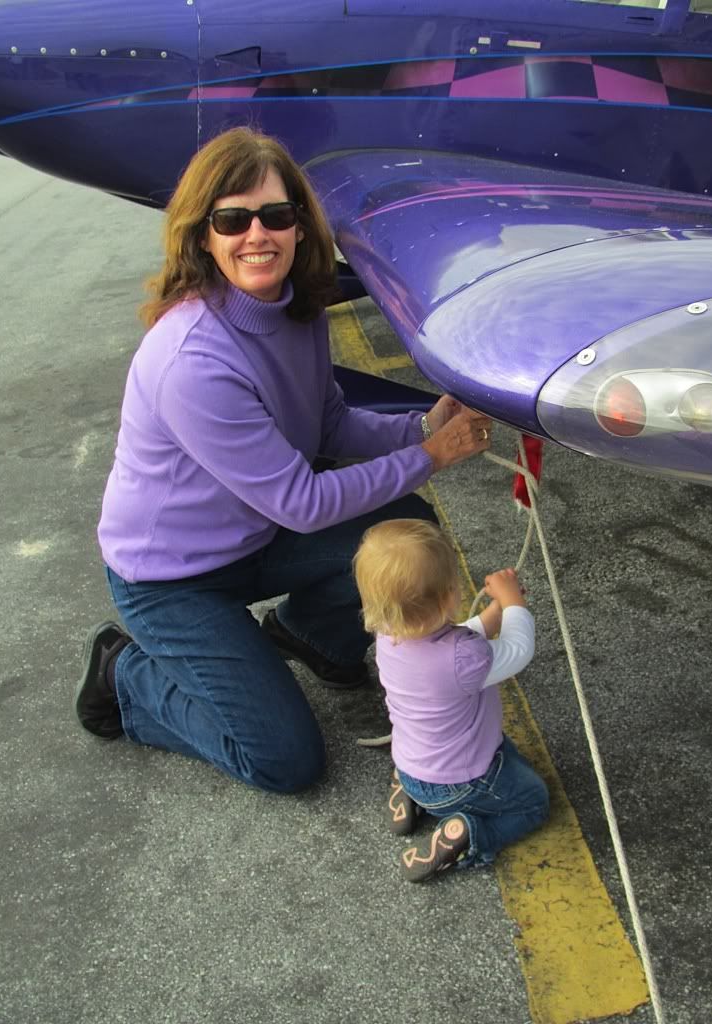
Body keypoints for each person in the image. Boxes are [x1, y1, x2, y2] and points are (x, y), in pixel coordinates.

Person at [74, 126, 493, 794]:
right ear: (203, 235)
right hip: (172, 581)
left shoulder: (298, 312)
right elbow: (302, 501)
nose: (257, 235)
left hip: (255, 537)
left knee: (406, 528)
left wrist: (421, 427)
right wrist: (431, 456)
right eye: (232, 220)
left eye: (275, 215)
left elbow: (329, 423)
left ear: (299, 225)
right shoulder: (194, 360)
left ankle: (311, 638)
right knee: (284, 761)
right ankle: (125, 676)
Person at [353, 519, 549, 883]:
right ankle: (470, 834)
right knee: (533, 802)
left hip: (412, 765)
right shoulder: (464, 659)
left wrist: (494, 614)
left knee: (484, 763)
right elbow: (518, 651)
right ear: (448, 597)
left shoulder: (388, 633)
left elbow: (453, 643)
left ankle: (410, 795)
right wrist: (514, 604)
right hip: (460, 783)